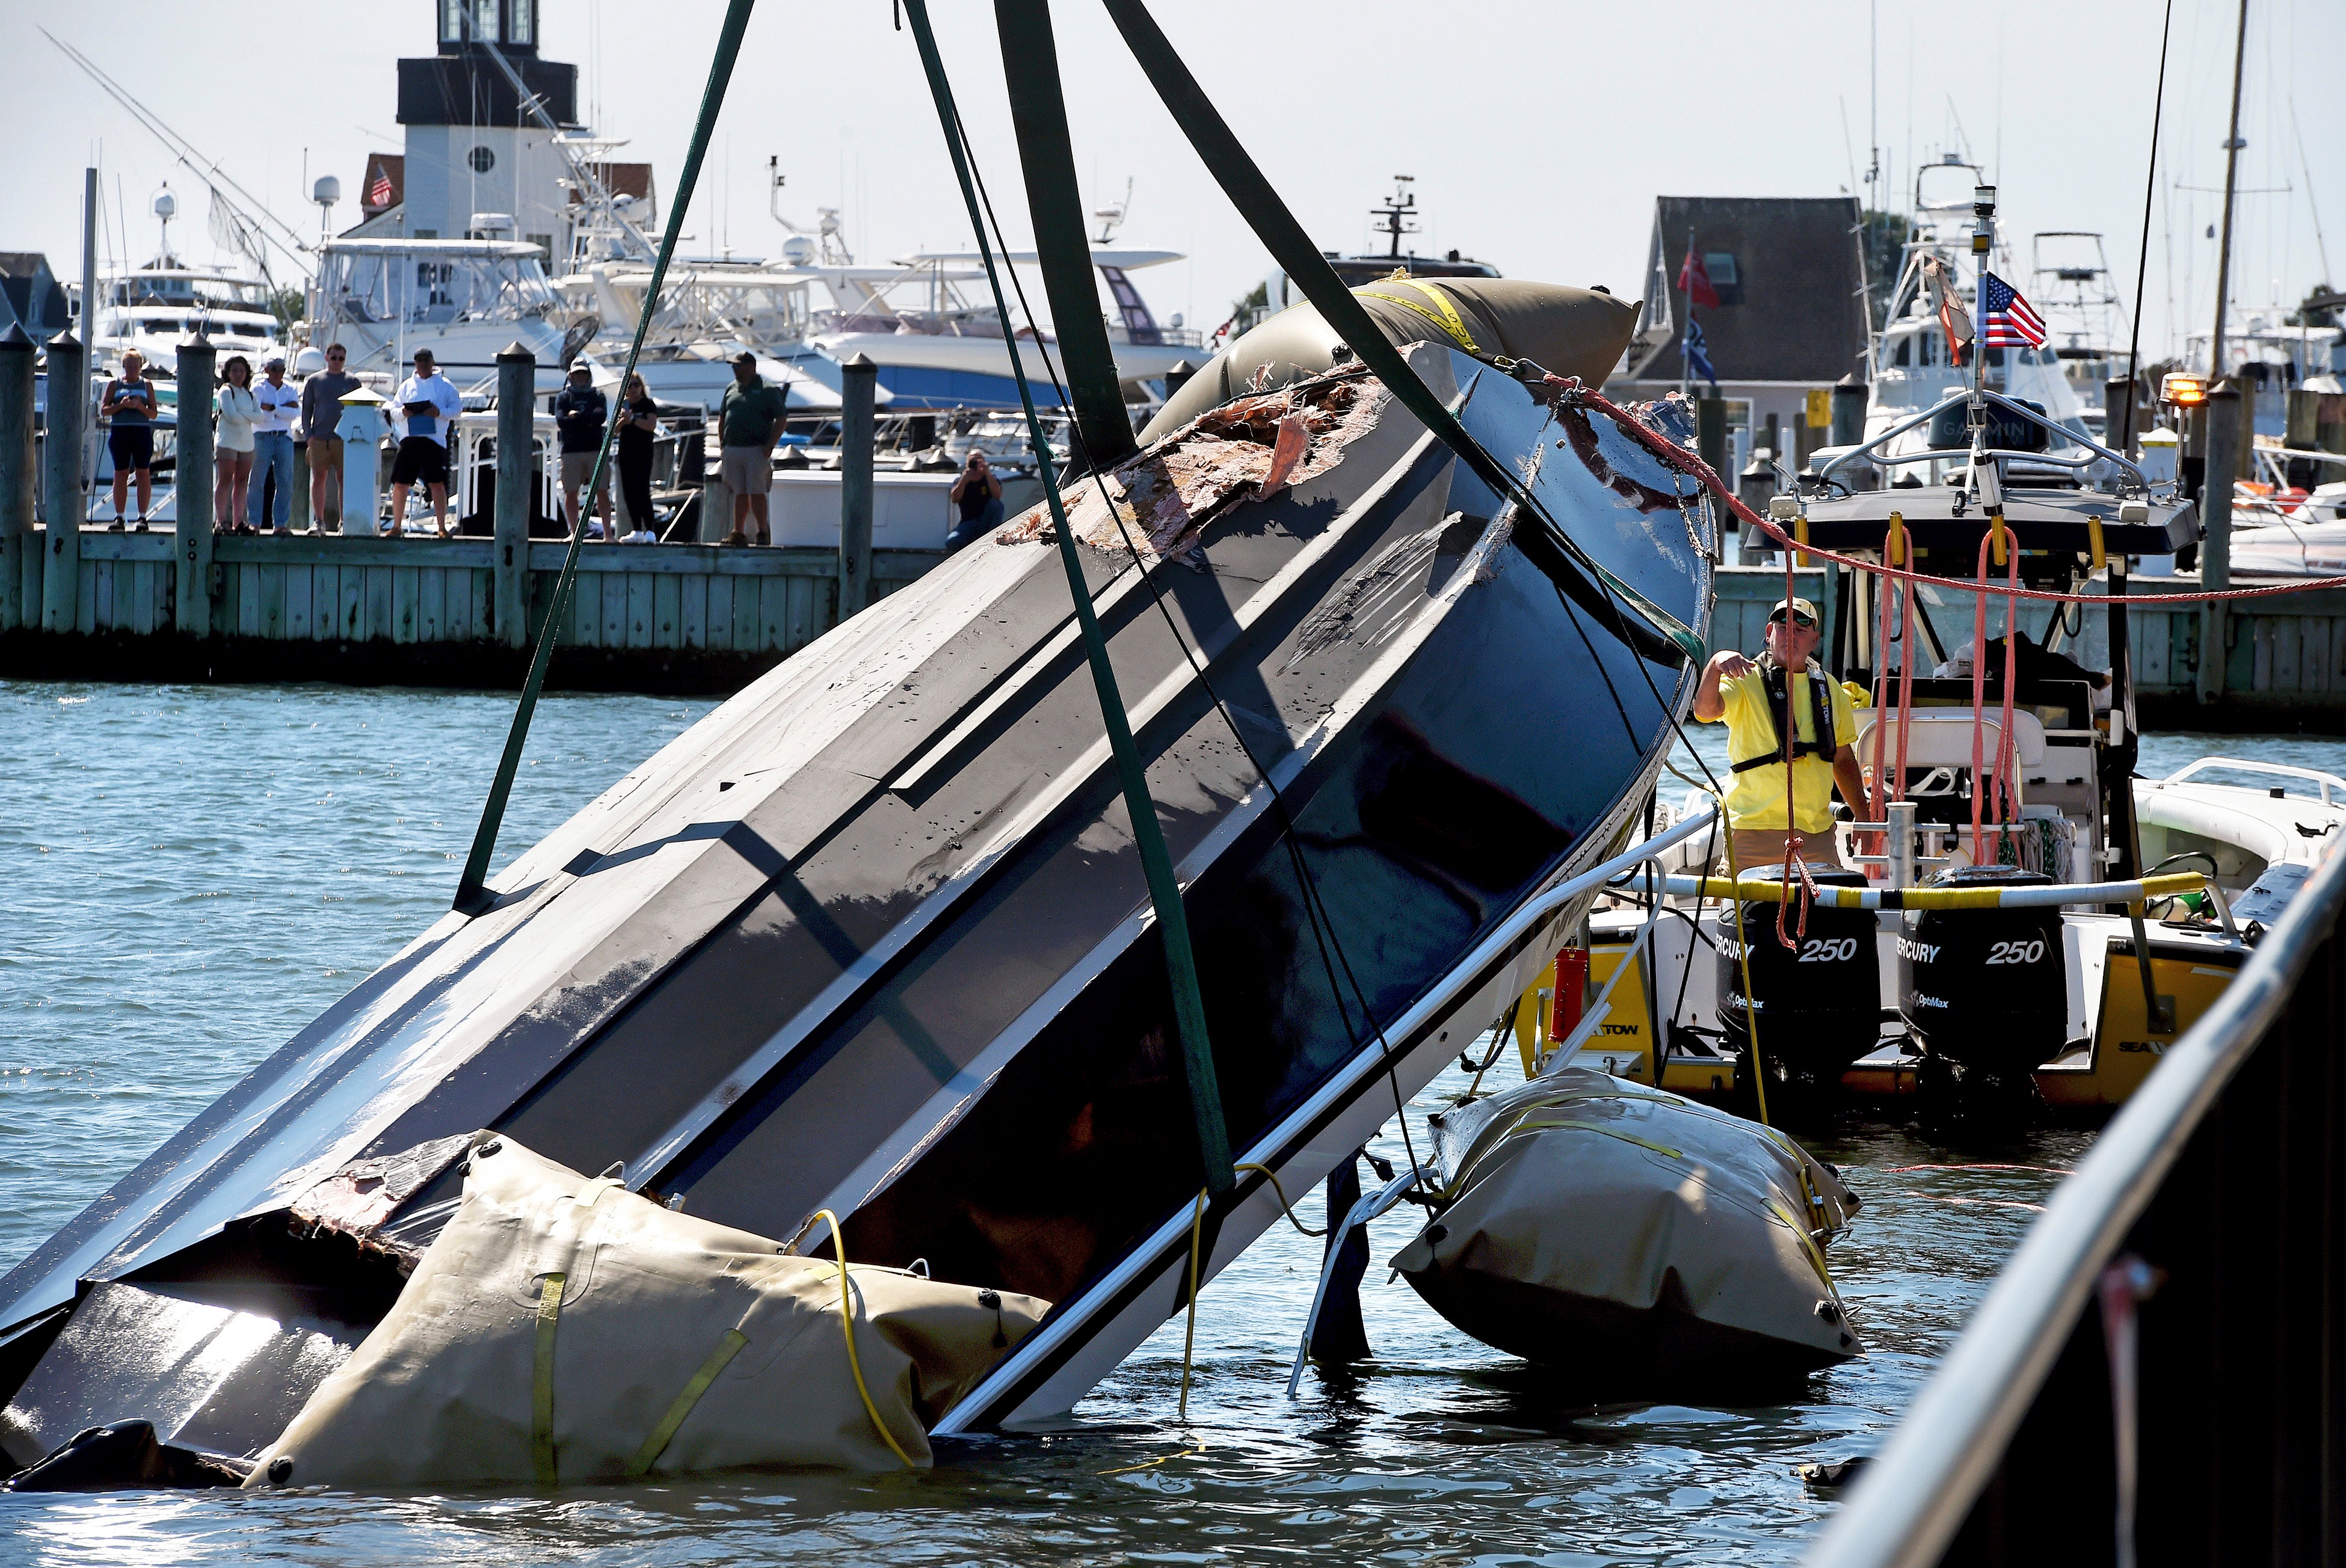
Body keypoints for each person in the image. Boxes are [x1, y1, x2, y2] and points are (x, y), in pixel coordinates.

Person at [1692, 596, 1872, 874]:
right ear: (1769, 634)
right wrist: (1715, 665)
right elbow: (1705, 712)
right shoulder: (1744, 678)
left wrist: (1863, 816)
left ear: (1815, 640)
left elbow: (1844, 759)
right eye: (1783, 628)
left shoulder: (1831, 689)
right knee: (1741, 915)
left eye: (1801, 630)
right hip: (1751, 833)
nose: (1791, 636)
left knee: (1824, 912)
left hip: (1815, 835)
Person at [718, 351, 789, 545]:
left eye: (737, 366)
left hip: (756, 448)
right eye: (733, 367)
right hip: (733, 448)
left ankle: (762, 532)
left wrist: (770, 445)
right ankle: (738, 532)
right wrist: (723, 444)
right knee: (739, 491)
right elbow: (723, 417)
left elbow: (781, 419)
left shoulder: (767, 389)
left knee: (757, 491)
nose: (735, 370)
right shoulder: (731, 388)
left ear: (751, 367)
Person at [390, 349, 463, 537]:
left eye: (426, 360)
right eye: (419, 360)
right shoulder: (406, 386)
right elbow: (394, 411)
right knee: (401, 483)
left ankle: (441, 527)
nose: (422, 364)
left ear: (433, 361)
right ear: (415, 363)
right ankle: (397, 526)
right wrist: (404, 413)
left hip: (434, 440)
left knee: (437, 483)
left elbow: (457, 409)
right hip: (409, 440)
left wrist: (438, 413)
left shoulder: (445, 385)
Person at [300, 342, 362, 532]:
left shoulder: (353, 382)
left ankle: (344, 522)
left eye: (341, 359)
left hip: (343, 439)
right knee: (318, 479)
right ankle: (319, 522)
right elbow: (307, 409)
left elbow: (359, 410)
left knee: (344, 480)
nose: (337, 362)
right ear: (326, 358)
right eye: (334, 357)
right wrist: (309, 435)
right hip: (320, 438)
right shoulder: (314, 380)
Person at [100, 351, 159, 529]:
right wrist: (122, 405)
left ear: (140, 367)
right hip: (120, 432)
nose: (133, 369)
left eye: (136, 366)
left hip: (141, 432)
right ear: (124, 366)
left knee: (143, 472)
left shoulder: (146, 385)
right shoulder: (114, 384)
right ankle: (119, 516)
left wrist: (140, 406)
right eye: (129, 366)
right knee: (121, 473)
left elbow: (154, 413)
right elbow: (104, 410)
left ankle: (142, 517)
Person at [554, 363, 612, 540]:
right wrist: (587, 417)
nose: (580, 378)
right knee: (571, 492)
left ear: (589, 376)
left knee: (602, 490)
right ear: (571, 376)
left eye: (583, 374)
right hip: (571, 451)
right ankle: (574, 532)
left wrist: (577, 417)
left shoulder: (598, 395)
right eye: (577, 374)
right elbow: (561, 421)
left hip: (595, 449)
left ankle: (608, 534)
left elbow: (600, 417)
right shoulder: (564, 397)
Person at [248, 355, 302, 532]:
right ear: (266, 370)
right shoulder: (257, 388)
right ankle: (255, 522)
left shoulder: (291, 389)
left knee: (285, 481)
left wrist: (273, 408)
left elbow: (295, 413)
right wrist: (282, 409)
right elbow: (259, 416)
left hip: (284, 437)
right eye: (274, 369)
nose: (278, 372)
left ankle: (280, 524)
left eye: (282, 369)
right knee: (257, 480)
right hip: (262, 437)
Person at [213, 355, 259, 532]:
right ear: (228, 373)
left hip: (246, 443)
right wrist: (248, 415)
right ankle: (221, 520)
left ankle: (238, 521)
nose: (239, 374)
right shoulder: (226, 391)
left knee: (242, 481)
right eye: (235, 371)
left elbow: (260, 417)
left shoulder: (249, 394)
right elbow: (231, 415)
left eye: (242, 371)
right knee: (225, 480)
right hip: (227, 442)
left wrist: (244, 414)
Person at [616, 371, 659, 539]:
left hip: (643, 453)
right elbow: (614, 431)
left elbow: (651, 425)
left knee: (642, 490)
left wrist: (633, 420)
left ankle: (650, 530)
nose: (633, 388)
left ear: (642, 387)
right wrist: (623, 420)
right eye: (629, 385)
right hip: (626, 453)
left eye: (636, 384)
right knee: (629, 492)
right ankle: (636, 530)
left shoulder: (648, 404)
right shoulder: (624, 406)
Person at [946, 450, 1005, 552]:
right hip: (969, 522)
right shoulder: (962, 480)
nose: (975, 465)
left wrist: (987, 473)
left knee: (996, 504)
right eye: (972, 462)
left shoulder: (990, 479)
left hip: (987, 521)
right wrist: (964, 480)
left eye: (979, 461)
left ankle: (993, 540)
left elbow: (997, 496)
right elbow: (955, 499)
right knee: (952, 541)